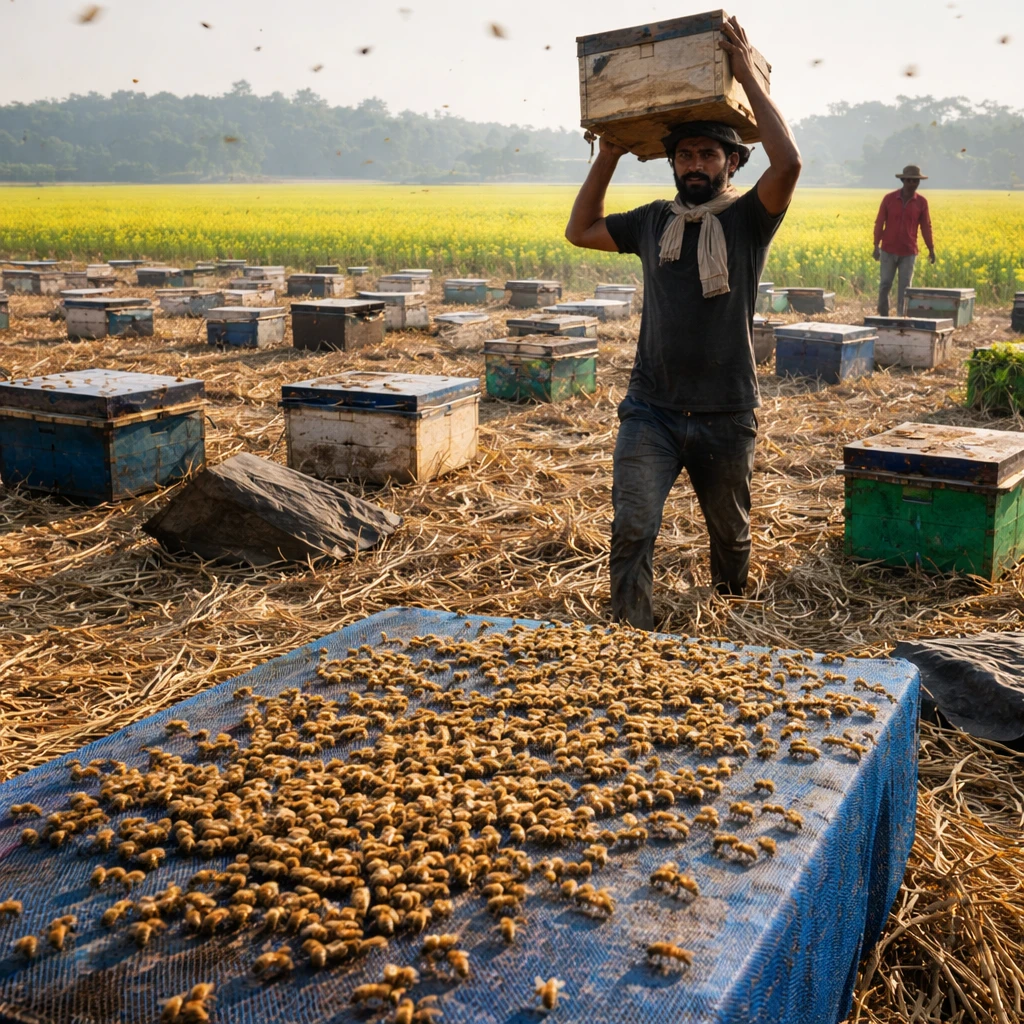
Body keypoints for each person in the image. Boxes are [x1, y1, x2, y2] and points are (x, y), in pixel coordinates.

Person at [564, 16, 801, 631]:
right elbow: (580, 230)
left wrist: (745, 71)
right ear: (671, 163)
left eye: (709, 154)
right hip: (653, 410)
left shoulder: (748, 220)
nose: (695, 164)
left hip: (726, 411)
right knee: (633, 525)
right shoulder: (651, 221)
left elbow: (791, 164)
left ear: (732, 163)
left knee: (732, 539)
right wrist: (610, 154)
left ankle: (729, 622)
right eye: (685, 155)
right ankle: (631, 640)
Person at [873, 165, 936, 316]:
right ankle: (883, 316)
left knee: (905, 288)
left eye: (916, 181)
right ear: (903, 180)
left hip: (909, 252)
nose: (913, 184)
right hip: (888, 249)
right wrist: (876, 246)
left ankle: (901, 318)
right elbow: (879, 222)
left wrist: (931, 249)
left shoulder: (922, 202)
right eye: (910, 181)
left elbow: (926, 227)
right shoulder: (889, 199)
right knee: (885, 285)